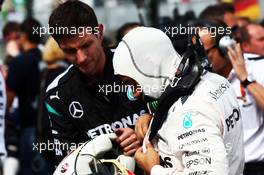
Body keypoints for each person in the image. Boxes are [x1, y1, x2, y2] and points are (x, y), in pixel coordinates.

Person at [113, 26, 244, 175]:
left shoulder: (189, 110)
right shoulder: (215, 81)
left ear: (149, 65)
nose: (134, 94)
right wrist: (154, 117)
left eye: (132, 83)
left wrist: (153, 169)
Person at [44, 0, 146, 166]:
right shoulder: (58, 95)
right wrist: (105, 146)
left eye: (86, 45)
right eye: (70, 51)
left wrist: (143, 133)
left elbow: (174, 116)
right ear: (59, 47)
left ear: (99, 33)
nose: (81, 58)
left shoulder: (137, 64)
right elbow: (65, 164)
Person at [197, 21, 264, 175]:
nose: (200, 59)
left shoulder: (259, 67)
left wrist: (246, 79)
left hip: (257, 166)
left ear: (224, 46)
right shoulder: (199, 79)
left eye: (205, 52)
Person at [6, 18, 44, 175]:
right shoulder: (48, 58)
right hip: (50, 128)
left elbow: (8, 98)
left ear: (23, 36)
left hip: (29, 128)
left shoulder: (19, 62)